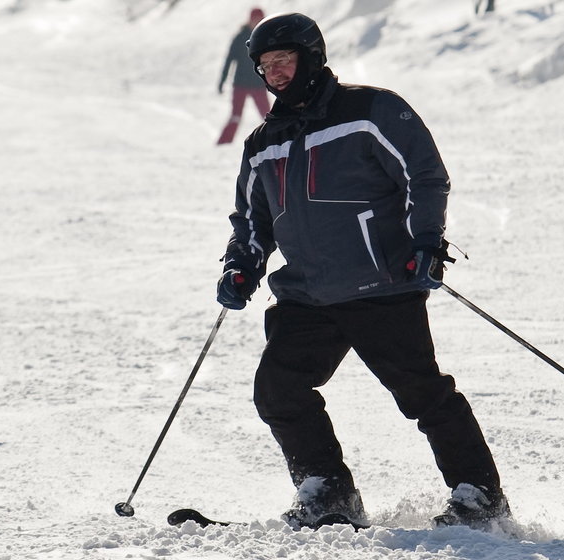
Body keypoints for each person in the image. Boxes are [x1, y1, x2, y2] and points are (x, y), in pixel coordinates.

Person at [215, 12, 511, 531]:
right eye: (265, 66)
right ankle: (328, 492)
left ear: (311, 56)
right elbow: (252, 217)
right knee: (278, 391)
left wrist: (425, 241)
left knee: (421, 393)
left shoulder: (371, 110)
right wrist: (243, 262)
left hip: (380, 282)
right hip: (307, 294)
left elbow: (425, 174)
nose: (275, 73)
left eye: (283, 60)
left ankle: (479, 495)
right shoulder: (264, 141)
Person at [215, 7, 271, 145]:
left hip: (258, 84)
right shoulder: (240, 37)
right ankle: (223, 143)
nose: (257, 22)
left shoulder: (266, 37)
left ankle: (276, 139)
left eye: (260, 19)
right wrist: (222, 80)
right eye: (255, 19)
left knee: (268, 116)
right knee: (235, 116)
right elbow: (230, 59)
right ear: (250, 20)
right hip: (240, 84)